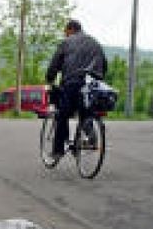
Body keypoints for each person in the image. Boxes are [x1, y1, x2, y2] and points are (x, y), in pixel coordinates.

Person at [45, 19, 108, 158]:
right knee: (86, 112)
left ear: (70, 30)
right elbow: (104, 64)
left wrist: (50, 79)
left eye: (65, 32)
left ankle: (58, 150)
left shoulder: (67, 42)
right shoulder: (95, 42)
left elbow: (55, 64)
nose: (65, 35)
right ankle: (91, 139)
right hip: (92, 84)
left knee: (63, 114)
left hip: (72, 81)